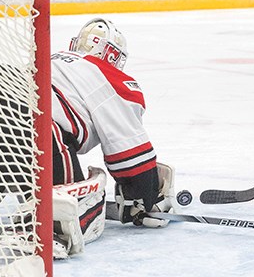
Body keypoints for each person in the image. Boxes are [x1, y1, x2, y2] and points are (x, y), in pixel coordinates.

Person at [49, 18, 175, 258]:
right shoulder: (107, 75)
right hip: (36, 132)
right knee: (69, 209)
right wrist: (147, 197)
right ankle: (46, 229)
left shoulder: (52, 59)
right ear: (111, 54)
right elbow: (132, 158)